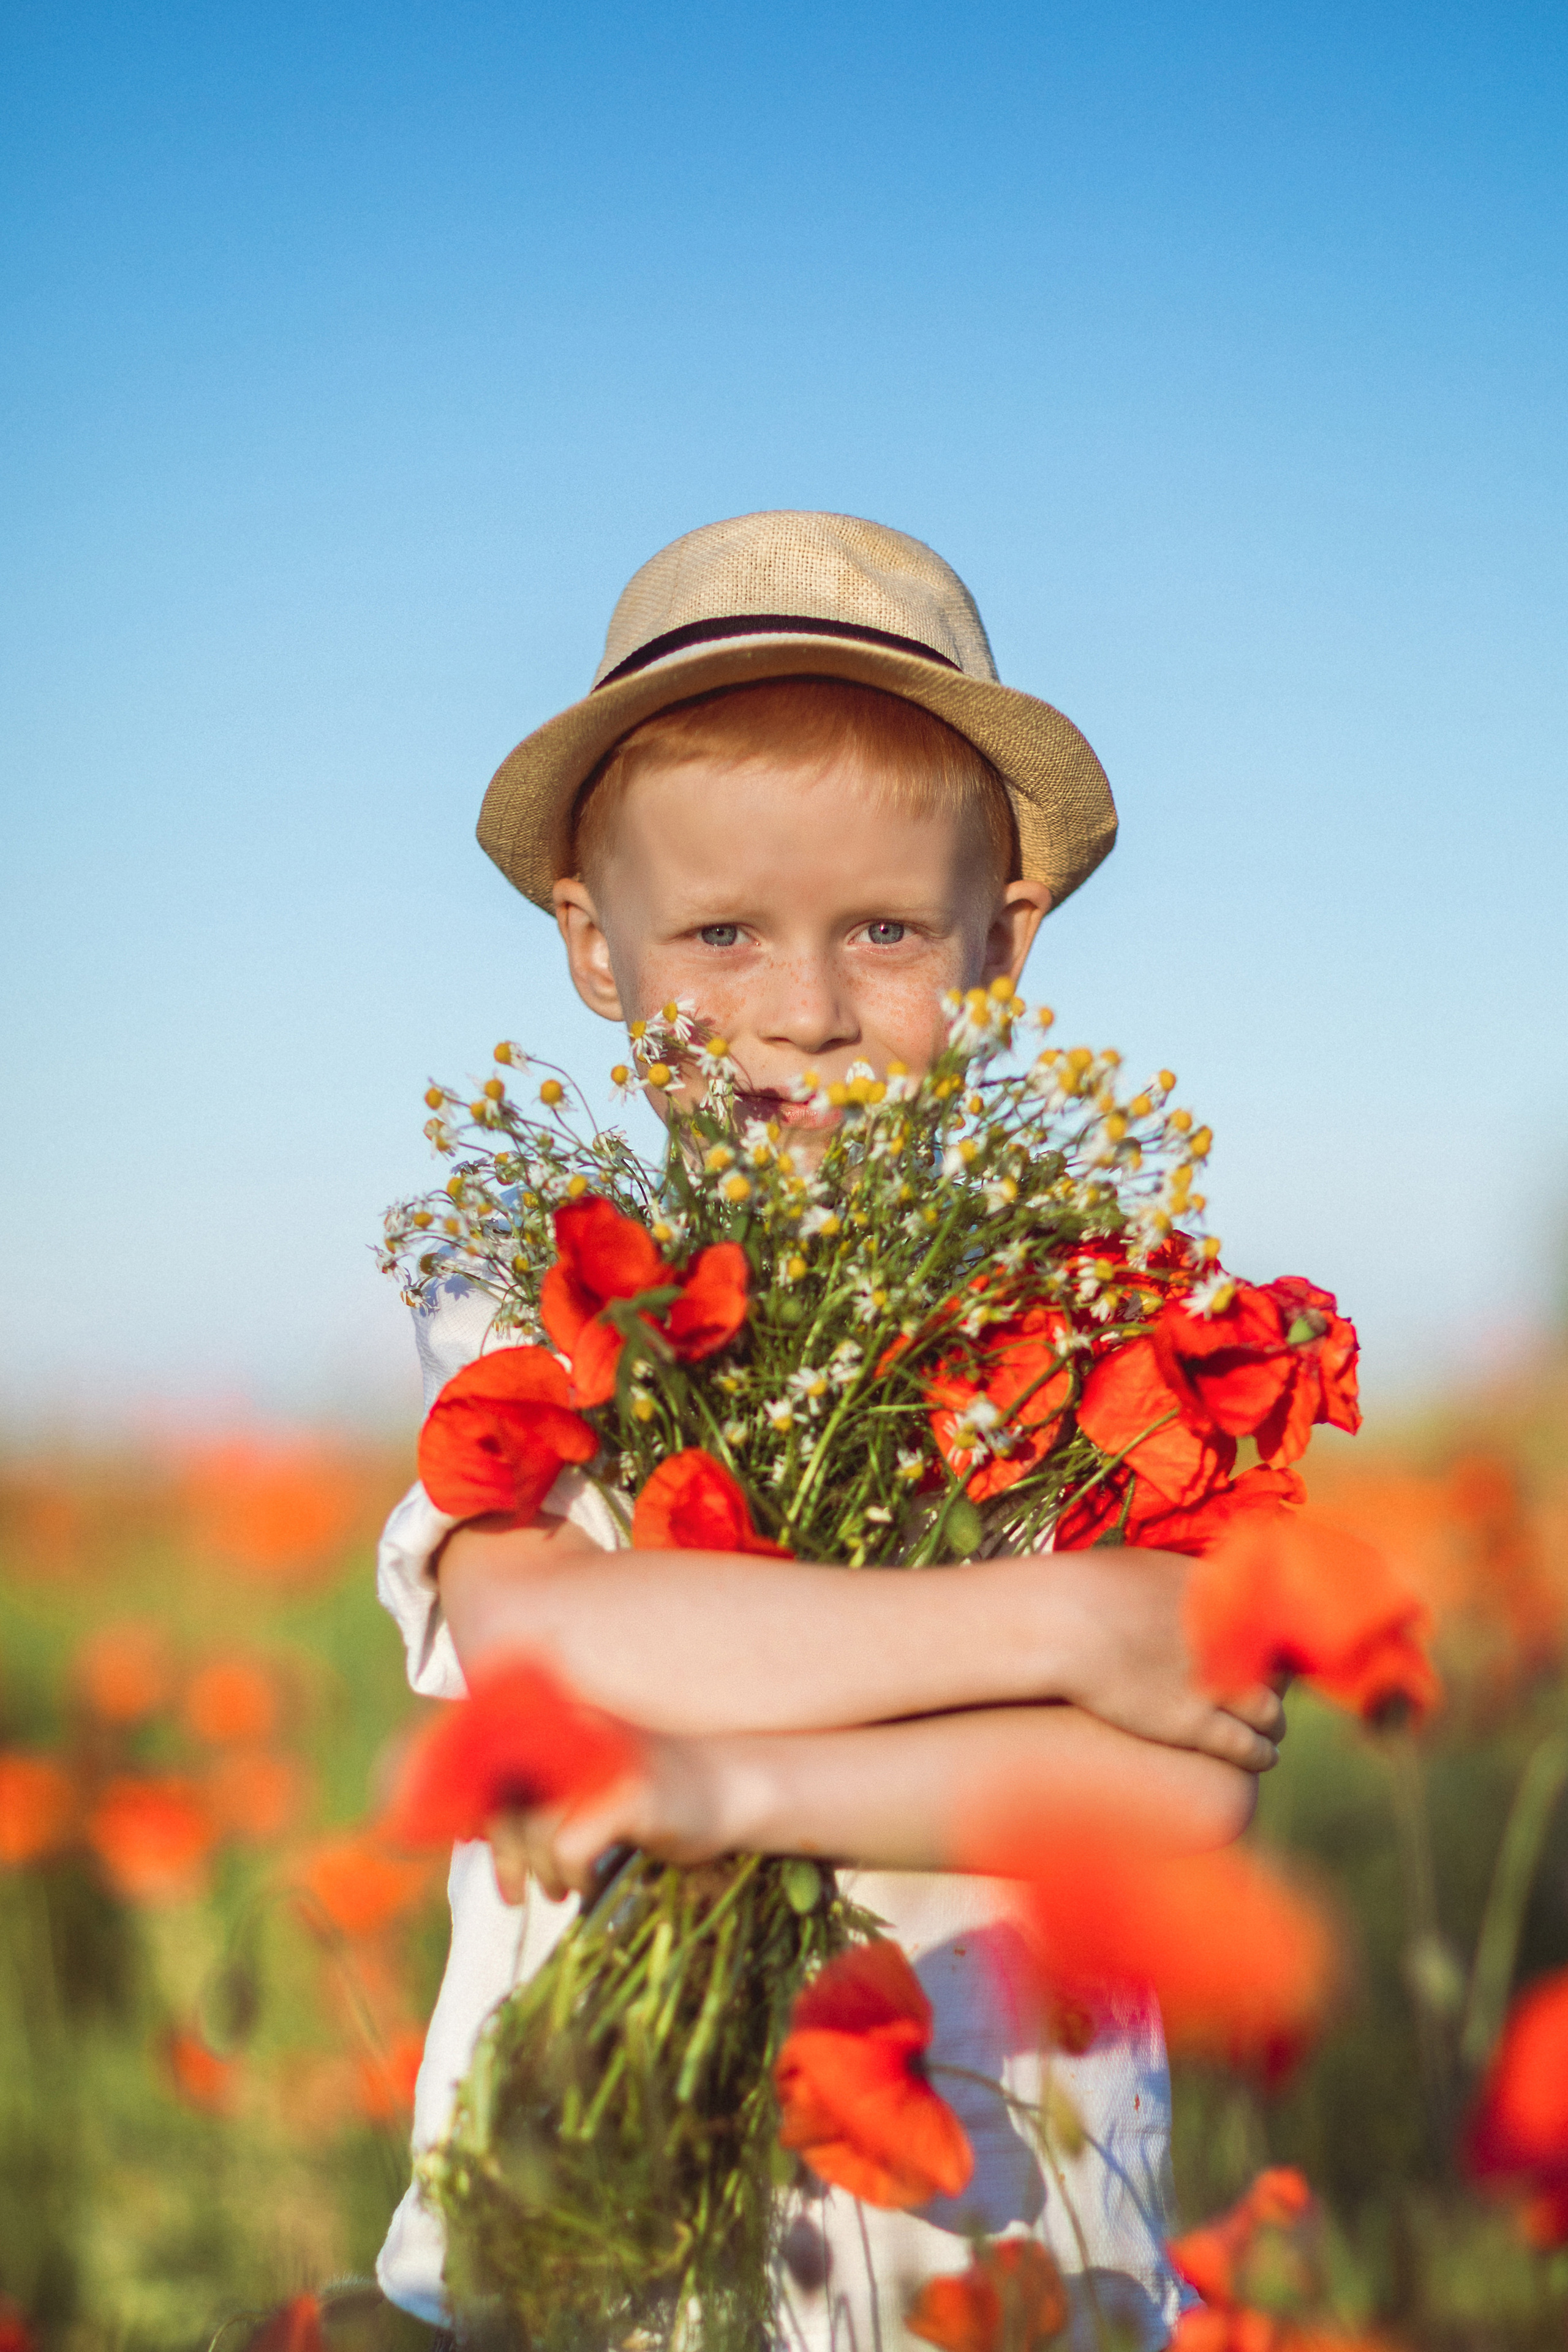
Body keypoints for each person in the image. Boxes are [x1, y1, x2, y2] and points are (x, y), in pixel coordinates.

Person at [374, 511, 1286, 2348]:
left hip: (1015, 2243)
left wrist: (726, 1793)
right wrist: (1068, 1625)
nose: (803, 1014)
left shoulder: (1099, 1335)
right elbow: (537, 1627)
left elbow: (1188, 1782)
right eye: (720, 932)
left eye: (883, 931)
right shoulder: (555, 1285)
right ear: (594, 947)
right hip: (610, 2253)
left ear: (1001, 938)